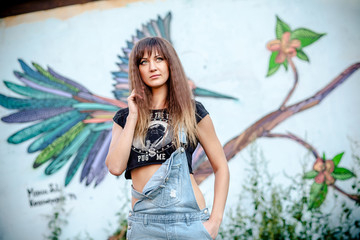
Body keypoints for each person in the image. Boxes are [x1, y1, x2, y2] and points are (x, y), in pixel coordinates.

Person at [105, 37, 229, 240]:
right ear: (138, 70)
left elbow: (221, 166)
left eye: (159, 59)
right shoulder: (124, 118)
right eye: (144, 62)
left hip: (189, 222)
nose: (152, 67)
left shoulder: (192, 112)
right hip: (145, 226)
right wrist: (133, 116)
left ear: (170, 63)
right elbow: (115, 167)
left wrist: (215, 222)